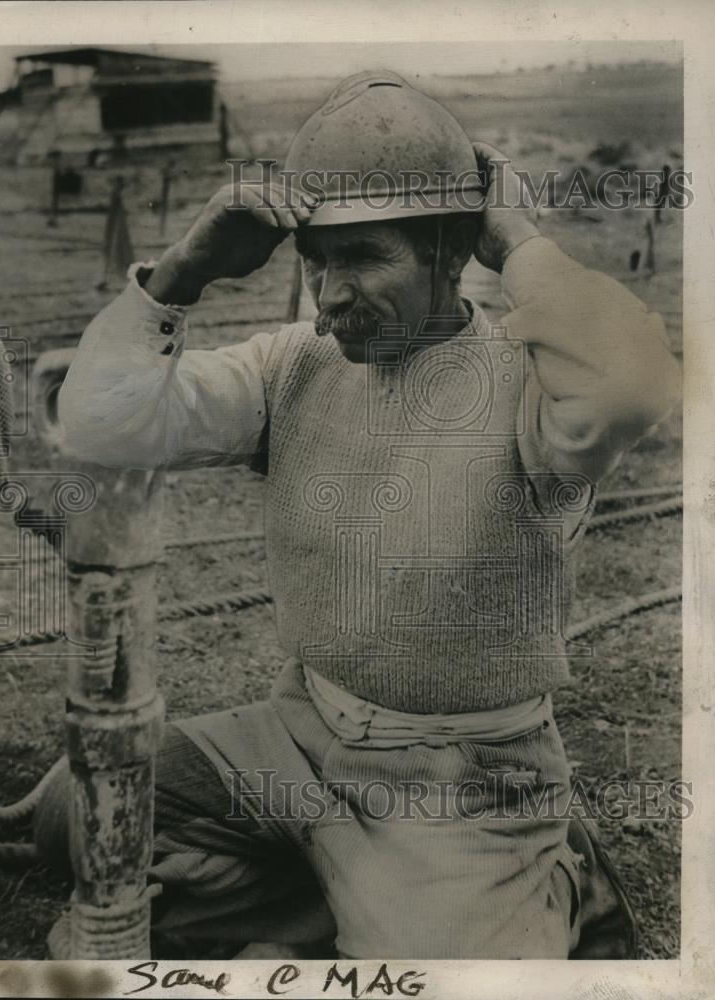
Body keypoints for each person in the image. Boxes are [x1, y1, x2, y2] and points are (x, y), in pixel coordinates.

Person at [44, 70, 681, 960]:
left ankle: (548, 882)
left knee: (437, 979)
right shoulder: (290, 364)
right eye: (316, 261)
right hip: (300, 736)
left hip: (458, 783)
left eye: (364, 257)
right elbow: (100, 421)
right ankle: (340, 888)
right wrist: (184, 271)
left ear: (449, 252)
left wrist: (515, 236)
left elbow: (635, 382)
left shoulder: (532, 390)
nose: (329, 294)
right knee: (79, 807)